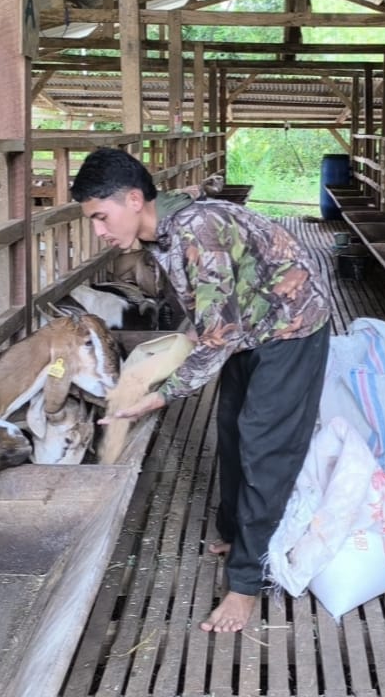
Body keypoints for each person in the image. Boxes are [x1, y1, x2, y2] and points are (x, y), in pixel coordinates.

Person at [71, 147, 331, 633]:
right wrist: (187, 342)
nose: (99, 231)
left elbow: (220, 334)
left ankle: (246, 585)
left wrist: (163, 393)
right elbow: (214, 309)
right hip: (251, 322)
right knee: (232, 429)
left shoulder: (195, 231)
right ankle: (238, 533)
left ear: (132, 200)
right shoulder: (161, 230)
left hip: (292, 327)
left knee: (264, 445)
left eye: (101, 217)